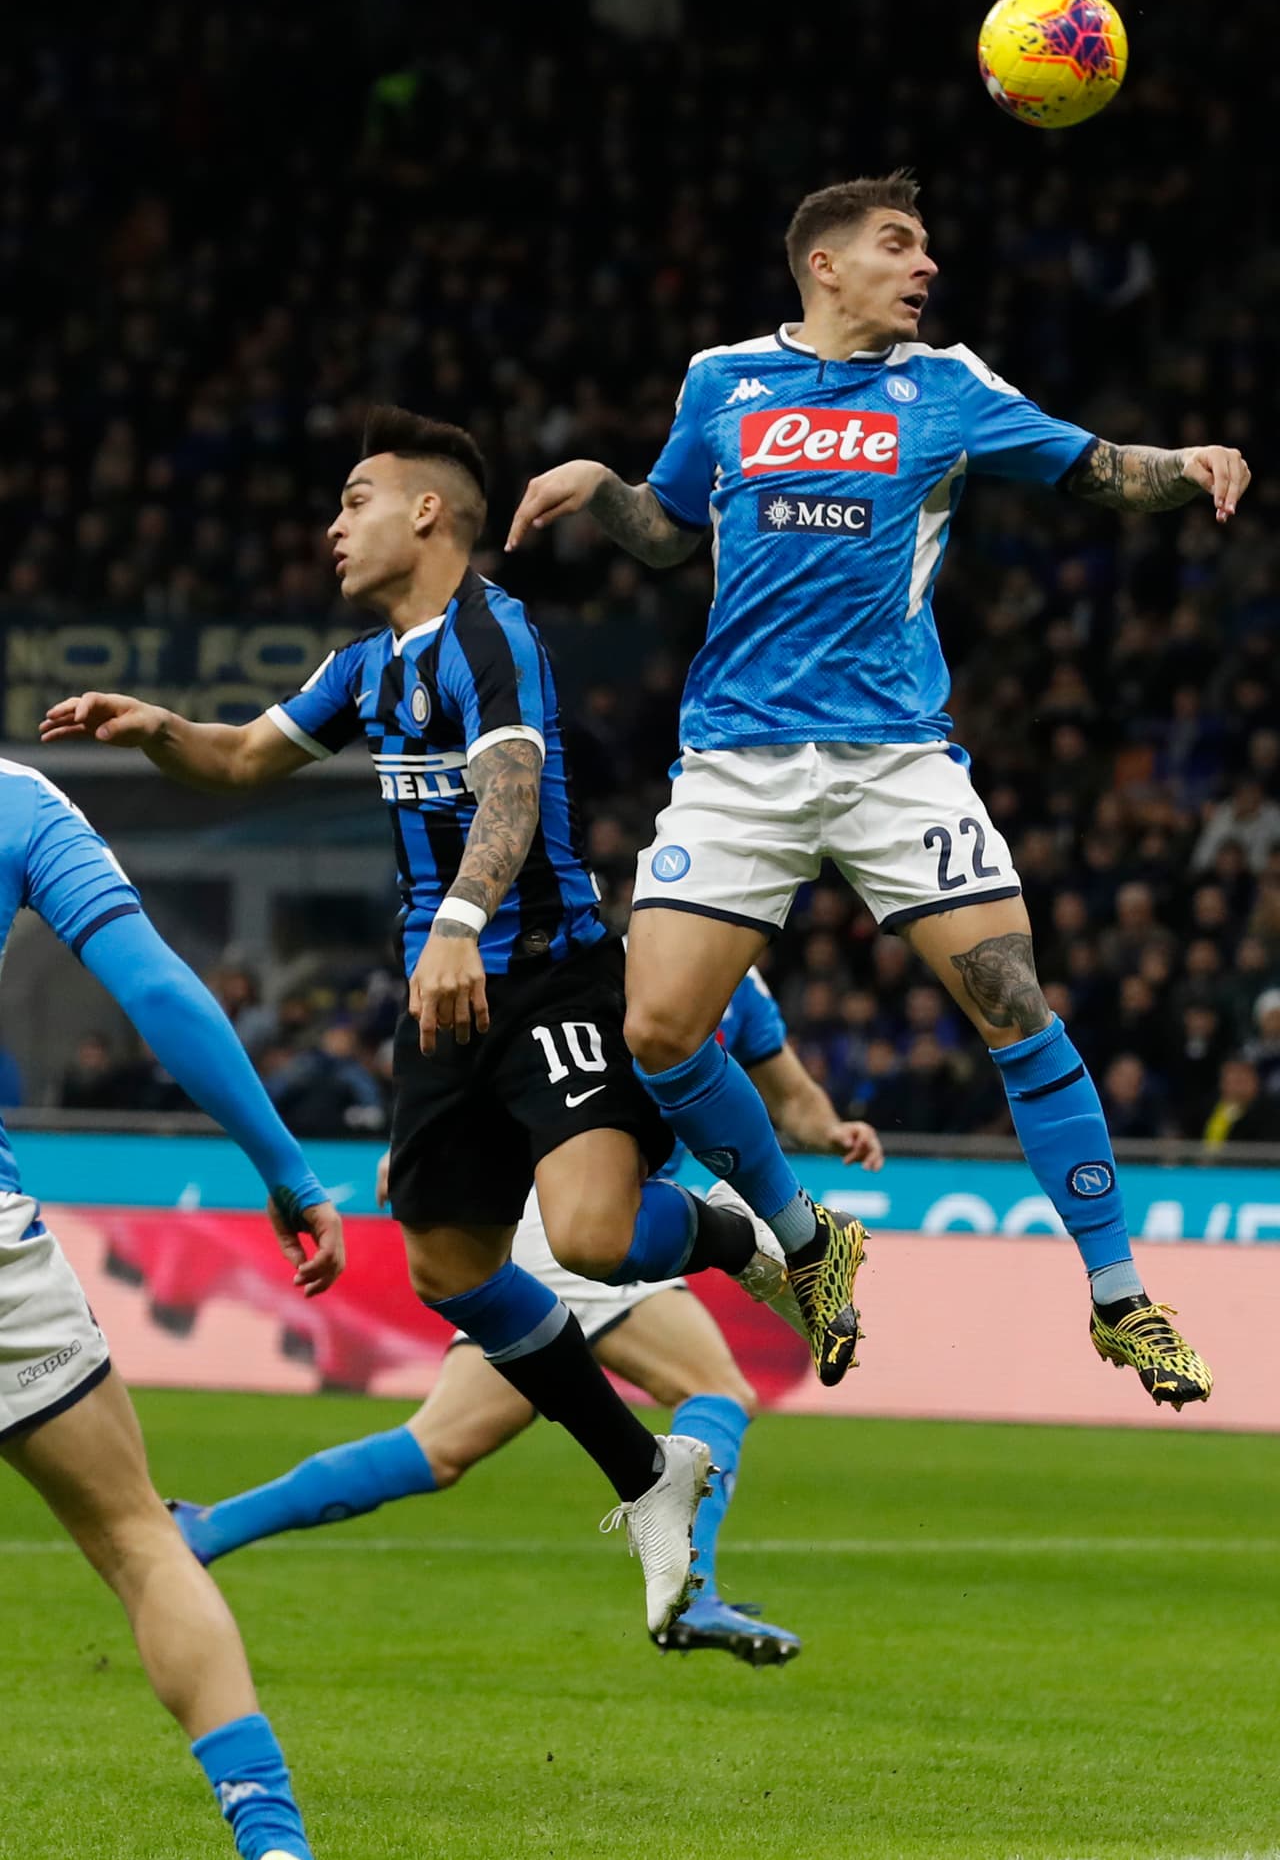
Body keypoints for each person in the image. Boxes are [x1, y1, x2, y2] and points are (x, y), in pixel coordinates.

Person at [42, 406, 808, 1634]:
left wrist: (458, 917)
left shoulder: (490, 634)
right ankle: (645, 1473)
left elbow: (512, 784)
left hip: (543, 975)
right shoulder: (364, 666)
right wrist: (161, 729)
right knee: (449, 1268)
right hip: (442, 1009)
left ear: (428, 511)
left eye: (355, 500)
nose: (333, 525)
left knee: (593, 1235)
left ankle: (740, 1238)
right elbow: (240, 758)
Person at [506, 169, 1252, 1411]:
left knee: (1012, 1000)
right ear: (824, 263)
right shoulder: (720, 380)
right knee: (657, 1031)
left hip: (893, 755)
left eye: (924, 247)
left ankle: (1120, 1295)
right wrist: (597, 484)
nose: (925, 266)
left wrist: (1186, 461)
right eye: (898, 244)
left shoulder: (946, 386)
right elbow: (669, 528)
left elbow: (1093, 468)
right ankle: (808, 1239)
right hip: (738, 759)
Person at [167, 968, 884, 1666]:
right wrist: (440, 1149)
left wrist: (836, 1131)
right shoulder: (626, 961)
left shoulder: (740, 987)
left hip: (567, 1221)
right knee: (717, 1389)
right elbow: (533, 1048)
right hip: (576, 1215)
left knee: (438, 1447)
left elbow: (793, 1100)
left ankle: (207, 1528)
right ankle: (692, 1590)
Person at [0, 757, 345, 1860]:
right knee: (140, 1538)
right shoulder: (21, 802)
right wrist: (287, 1167)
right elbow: (156, 990)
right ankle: (273, 1840)